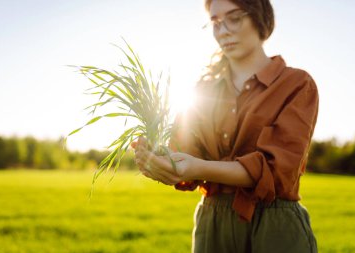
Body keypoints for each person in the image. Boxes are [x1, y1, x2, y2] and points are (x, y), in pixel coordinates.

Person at [133, 0, 319, 252]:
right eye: (215, 22)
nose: (223, 31)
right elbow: (184, 153)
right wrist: (160, 161)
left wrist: (198, 167)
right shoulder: (201, 91)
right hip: (212, 223)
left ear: (260, 18)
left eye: (234, 18)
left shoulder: (296, 84)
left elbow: (277, 172)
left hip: (274, 226)